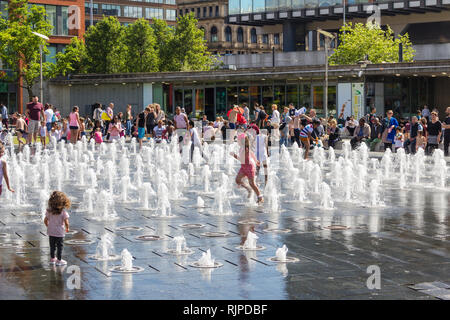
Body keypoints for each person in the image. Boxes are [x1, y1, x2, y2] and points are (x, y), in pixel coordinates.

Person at [230, 134, 264, 204]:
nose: (237, 141)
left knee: (252, 183)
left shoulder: (245, 149)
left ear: (241, 141)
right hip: (243, 167)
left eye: (238, 140)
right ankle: (248, 189)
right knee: (237, 180)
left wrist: (234, 155)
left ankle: (260, 197)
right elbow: (251, 153)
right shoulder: (242, 148)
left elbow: (242, 159)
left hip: (249, 167)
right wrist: (255, 160)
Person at [44, 191, 71, 266]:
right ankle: (59, 260)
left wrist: (48, 226)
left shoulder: (49, 211)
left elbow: (45, 220)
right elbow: (66, 222)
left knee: (52, 246)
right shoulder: (63, 212)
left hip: (51, 232)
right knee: (60, 246)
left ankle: (52, 259)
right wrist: (67, 228)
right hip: (59, 233)